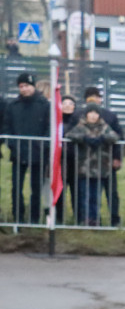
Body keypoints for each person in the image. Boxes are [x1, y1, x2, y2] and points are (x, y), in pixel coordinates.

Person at [3, 72, 49, 224]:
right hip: (18, 153)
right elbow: (7, 127)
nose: (24, 89)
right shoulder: (13, 106)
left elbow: (49, 128)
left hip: (38, 154)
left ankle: (34, 218)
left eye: (27, 86)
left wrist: (43, 146)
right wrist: (12, 144)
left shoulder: (44, 105)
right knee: (16, 188)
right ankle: (18, 217)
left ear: (33, 86)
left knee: (36, 189)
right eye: (21, 86)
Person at [65, 103, 120, 226]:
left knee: (95, 197)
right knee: (85, 196)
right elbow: (70, 135)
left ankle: (95, 219)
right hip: (84, 169)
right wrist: (84, 138)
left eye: (96, 113)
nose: (94, 116)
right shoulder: (81, 126)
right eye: (91, 113)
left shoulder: (104, 127)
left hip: (101, 169)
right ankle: (85, 219)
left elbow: (115, 136)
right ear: (86, 114)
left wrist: (102, 138)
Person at [83, 86, 125, 226]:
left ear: (100, 99)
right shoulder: (81, 115)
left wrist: (117, 157)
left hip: (108, 160)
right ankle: (92, 219)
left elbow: (119, 137)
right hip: (88, 162)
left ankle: (115, 219)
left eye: (96, 96)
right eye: (90, 97)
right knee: (91, 193)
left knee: (111, 192)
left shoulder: (110, 116)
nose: (93, 100)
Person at [57, 95, 79, 224]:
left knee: (76, 191)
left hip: (75, 161)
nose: (67, 105)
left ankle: (78, 218)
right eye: (64, 103)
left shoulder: (78, 121)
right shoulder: (56, 122)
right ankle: (59, 217)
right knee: (60, 190)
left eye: (70, 103)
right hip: (60, 161)